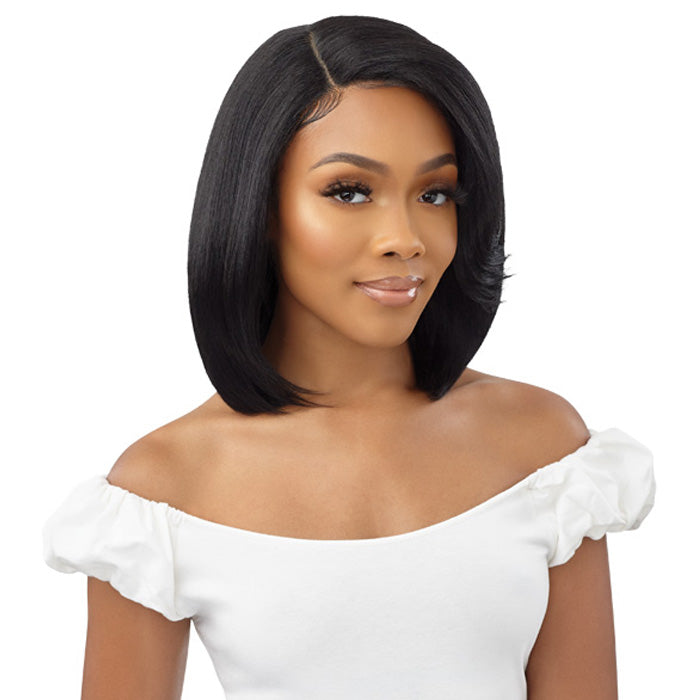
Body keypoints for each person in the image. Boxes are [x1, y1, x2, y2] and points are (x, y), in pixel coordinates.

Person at [42, 14, 656, 699]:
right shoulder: (163, 492)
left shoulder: (543, 450)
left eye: (434, 193)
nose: (405, 237)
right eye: (350, 191)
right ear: (260, 207)